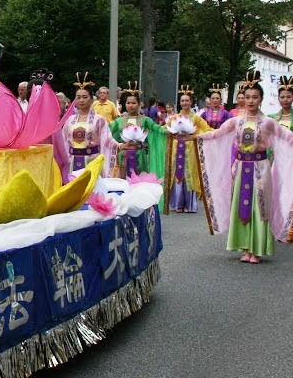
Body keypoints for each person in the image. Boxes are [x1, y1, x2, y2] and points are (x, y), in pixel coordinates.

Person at [197, 71, 293, 263]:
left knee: (259, 206)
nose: (250, 101)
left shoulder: (269, 122)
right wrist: (194, 136)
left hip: (261, 168)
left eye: (255, 97)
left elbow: (288, 137)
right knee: (241, 205)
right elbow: (216, 134)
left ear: (261, 99)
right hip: (240, 168)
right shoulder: (236, 121)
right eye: (247, 97)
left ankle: (256, 249)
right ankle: (244, 248)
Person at [164, 86, 212, 214]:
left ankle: (189, 204)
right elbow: (164, 129)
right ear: (180, 103)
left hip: (190, 150)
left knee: (189, 174)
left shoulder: (196, 118)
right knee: (177, 174)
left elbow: (207, 130)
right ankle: (178, 203)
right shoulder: (174, 118)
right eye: (182, 101)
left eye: (187, 100)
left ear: (191, 102)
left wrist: (194, 137)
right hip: (177, 149)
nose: (184, 103)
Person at [61, 73, 118, 180]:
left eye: (85, 97)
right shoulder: (70, 120)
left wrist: (120, 145)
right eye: (78, 97)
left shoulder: (99, 120)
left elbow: (107, 140)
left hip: (91, 162)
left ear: (91, 99)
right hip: (72, 162)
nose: (81, 100)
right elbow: (64, 142)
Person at [109, 84, 166, 181]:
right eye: (128, 103)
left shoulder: (145, 120)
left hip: (140, 155)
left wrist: (172, 131)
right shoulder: (118, 121)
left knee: (140, 183)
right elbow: (105, 131)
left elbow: (158, 129)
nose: (130, 105)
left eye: (134, 103)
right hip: (123, 156)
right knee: (124, 183)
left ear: (139, 104)